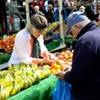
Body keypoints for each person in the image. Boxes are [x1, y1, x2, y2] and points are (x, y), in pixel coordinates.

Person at [56, 11, 100, 99]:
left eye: (71, 31)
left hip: (89, 93)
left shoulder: (85, 41)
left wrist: (64, 75)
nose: (71, 34)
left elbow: (77, 77)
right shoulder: (97, 33)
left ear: (78, 26)